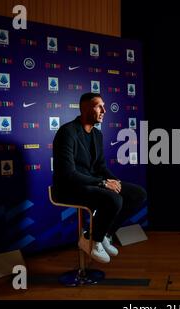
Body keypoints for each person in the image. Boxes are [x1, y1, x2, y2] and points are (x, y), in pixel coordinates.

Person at [52, 92, 147, 263]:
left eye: (104, 106)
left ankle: (105, 235)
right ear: (86, 109)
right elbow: (68, 173)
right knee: (114, 199)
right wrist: (103, 183)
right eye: (99, 106)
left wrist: (115, 182)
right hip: (69, 187)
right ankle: (91, 238)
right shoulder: (67, 132)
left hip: (91, 184)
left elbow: (101, 167)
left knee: (138, 194)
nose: (104, 110)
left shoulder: (97, 135)